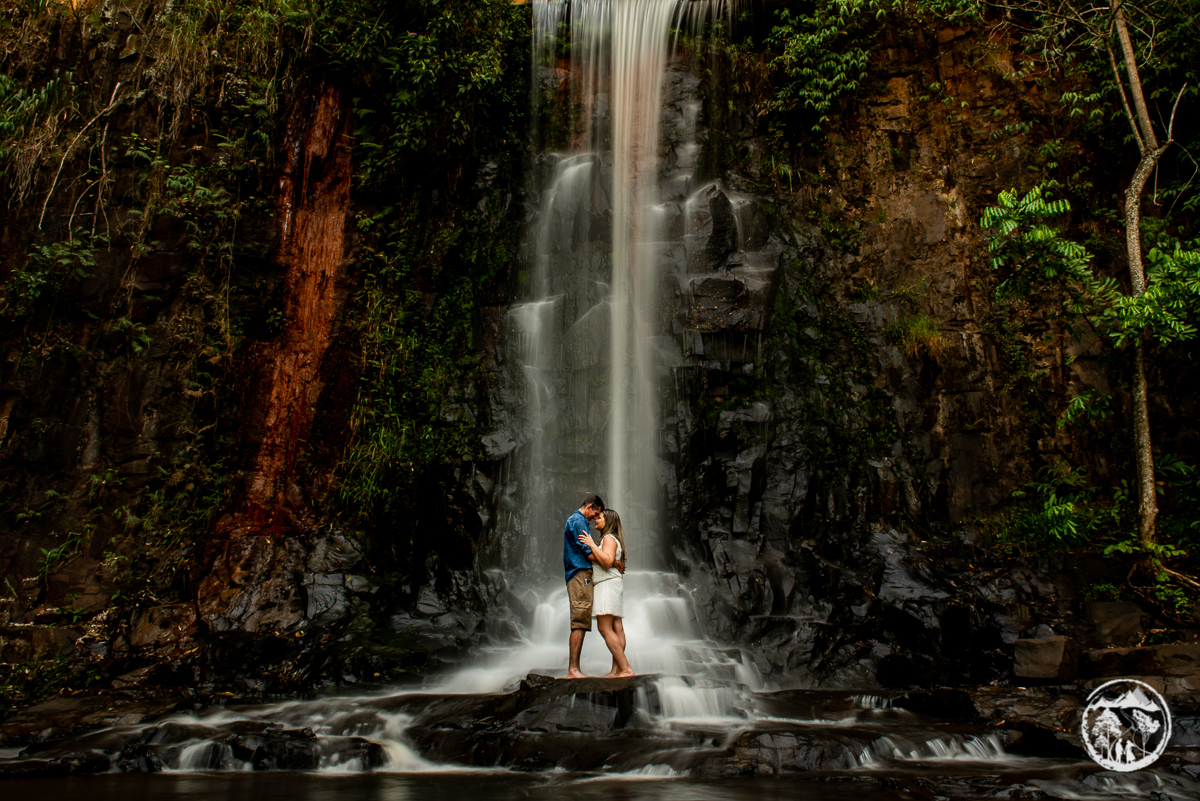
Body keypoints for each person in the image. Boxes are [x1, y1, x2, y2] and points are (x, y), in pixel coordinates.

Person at [578, 508, 634, 677]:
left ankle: (626, 668)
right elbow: (610, 560)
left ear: (608, 521)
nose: (596, 519)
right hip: (613, 584)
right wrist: (614, 561)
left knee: (604, 627)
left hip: (607, 585)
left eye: (600, 517)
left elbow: (607, 561)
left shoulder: (609, 538)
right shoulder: (612, 538)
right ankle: (616, 670)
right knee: (617, 628)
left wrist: (591, 544)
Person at [563, 493, 604, 679]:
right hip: (579, 573)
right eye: (595, 514)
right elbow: (587, 552)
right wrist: (609, 561)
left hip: (578, 574)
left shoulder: (576, 520)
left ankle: (574, 668)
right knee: (579, 619)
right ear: (589, 507)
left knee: (581, 618)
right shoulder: (579, 521)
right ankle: (573, 670)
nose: (595, 518)